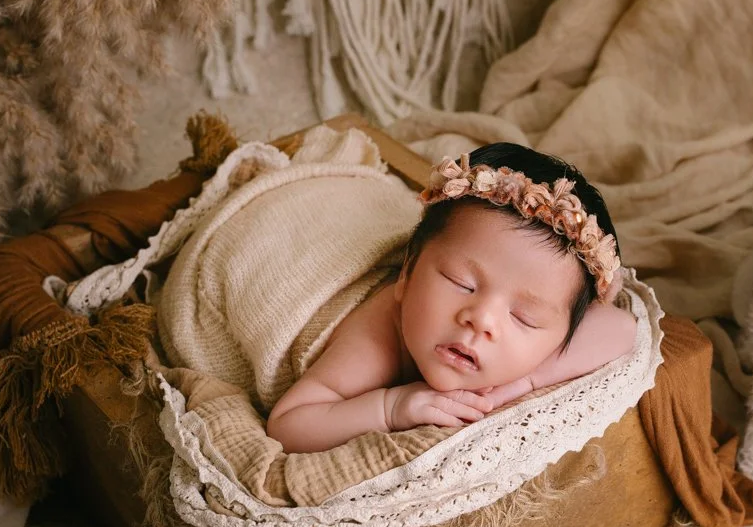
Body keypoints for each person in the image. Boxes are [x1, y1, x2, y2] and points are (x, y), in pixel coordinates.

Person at [266, 143, 636, 454]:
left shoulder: (544, 334)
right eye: (462, 283)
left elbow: (622, 327)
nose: (482, 320)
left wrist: (522, 383)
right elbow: (289, 424)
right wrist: (391, 407)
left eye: (524, 317)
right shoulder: (378, 336)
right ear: (407, 274)